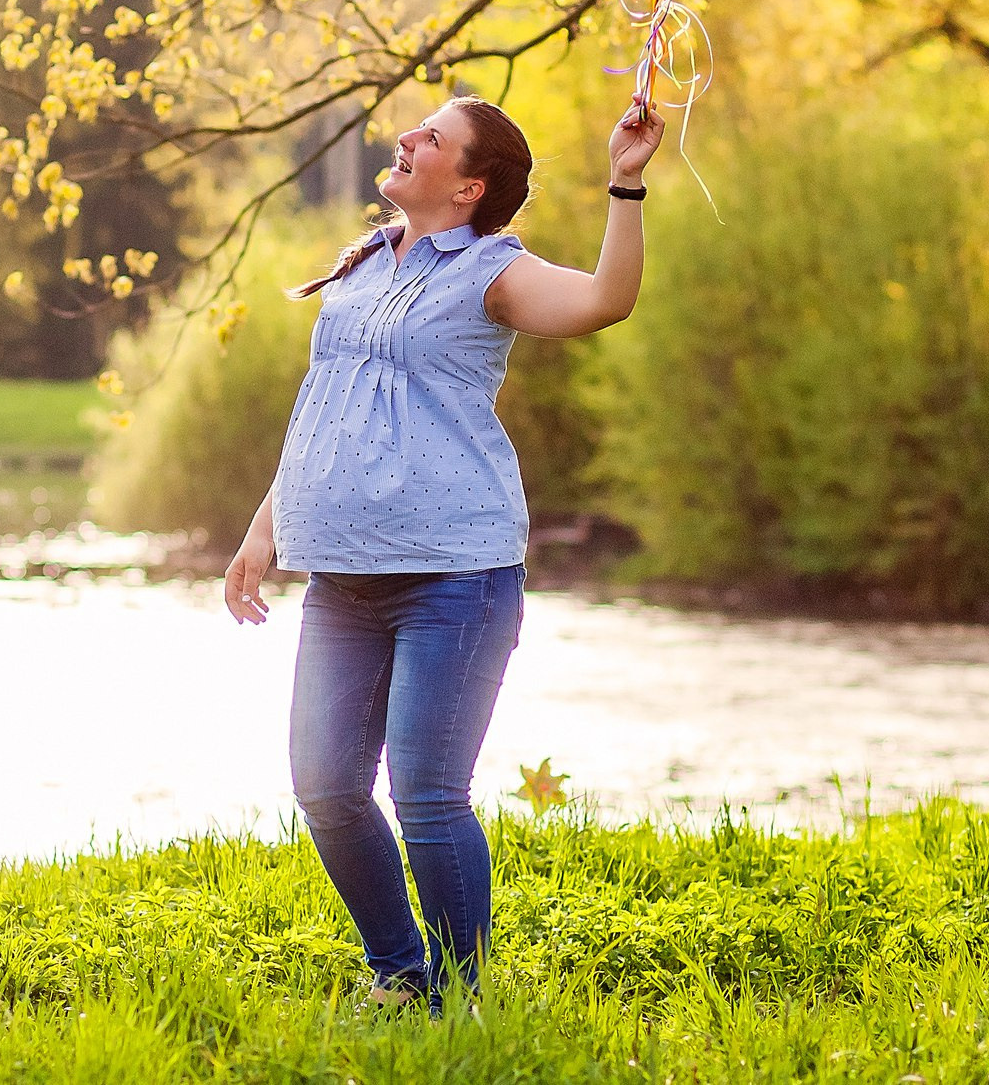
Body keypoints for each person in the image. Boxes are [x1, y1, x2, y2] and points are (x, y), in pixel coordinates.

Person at [223, 91, 665, 1013]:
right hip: (342, 579)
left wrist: (625, 186)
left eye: (431, 137)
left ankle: (462, 998)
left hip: (454, 575)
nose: (407, 137)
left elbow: (604, 302)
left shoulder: (492, 270)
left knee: (426, 794)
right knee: (327, 788)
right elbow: (325, 410)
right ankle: (402, 973)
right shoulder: (363, 266)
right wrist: (263, 533)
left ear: (467, 186)